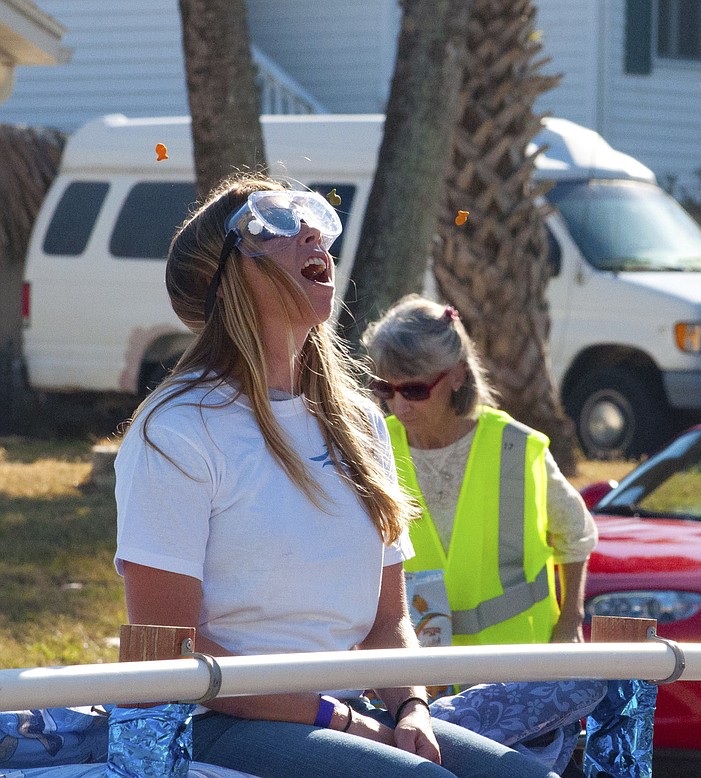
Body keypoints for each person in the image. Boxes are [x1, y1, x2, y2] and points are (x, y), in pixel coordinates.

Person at [112, 173, 559, 778]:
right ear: (224, 283)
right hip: (218, 722)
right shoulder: (177, 429)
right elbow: (169, 648)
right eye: (274, 224)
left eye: (312, 218)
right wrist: (343, 721)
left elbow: (387, 620)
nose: (311, 234)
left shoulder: (360, 423)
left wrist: (411, 710)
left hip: (345, 709)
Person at [361, 294, 604, 773]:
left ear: (454, 375)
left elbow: (576, 533)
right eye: (382, 389)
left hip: (518, 684)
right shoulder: (370, 446)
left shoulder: (518, 447)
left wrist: (570, 622)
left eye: (412, 389)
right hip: (416, 689)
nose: (396, 404)